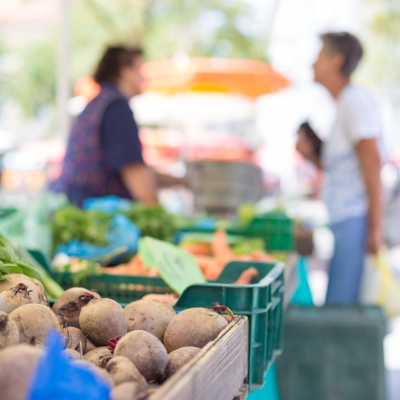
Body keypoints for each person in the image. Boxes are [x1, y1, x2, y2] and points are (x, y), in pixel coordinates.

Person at [296, 32, 383, 304]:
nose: (312, 63)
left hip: (355, 219)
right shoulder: (344, 104)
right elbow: (343, 171)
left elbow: (372, 161)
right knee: (338, 301)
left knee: (340, 307)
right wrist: (311, 156)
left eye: (319, 55)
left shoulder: (353, 101)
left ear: (336, 60)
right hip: (346, 220)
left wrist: (375, 228)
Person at [51, 46, 160, 207]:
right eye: (139, 69)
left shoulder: (98, 102)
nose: (144, 78)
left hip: (74, 205)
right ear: (125, 69)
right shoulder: (116, 107)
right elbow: (138, 179)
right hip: (93, 215)